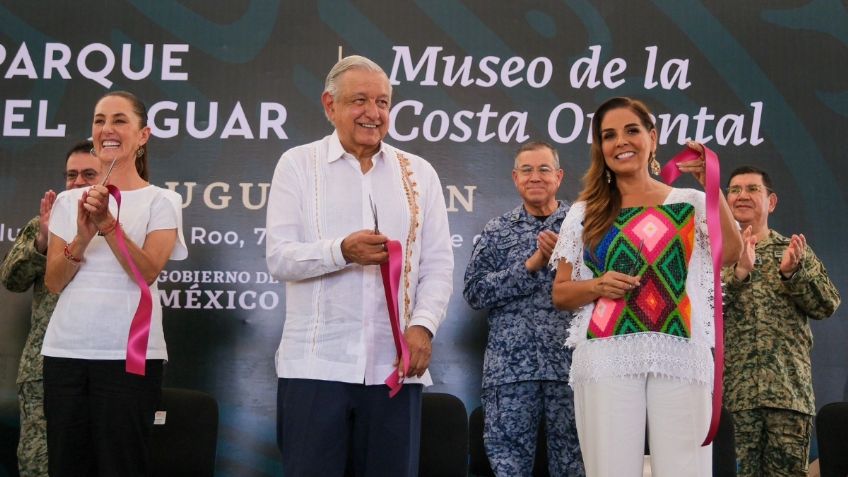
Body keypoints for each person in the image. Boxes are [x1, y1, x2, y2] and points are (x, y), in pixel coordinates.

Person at [265, 55, 453, 477]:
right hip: (315, 367)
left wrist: (422, 327)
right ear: (329, 106)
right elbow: (280, 257)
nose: (374, 113)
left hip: (395, 369)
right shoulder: (297, 164)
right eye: (360, 101)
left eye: (383, 102)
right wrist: (341, 251)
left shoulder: (419, 173)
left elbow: (439, 264)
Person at [550, 96, 742, 477]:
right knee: (610, 469)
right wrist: (598, 285)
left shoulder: (689, 202)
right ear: (600, 148)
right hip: (606, 353)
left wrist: (712, 185)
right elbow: (561, 292)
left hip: (679, 351)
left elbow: (732, 252)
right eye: (609, 135)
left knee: (686, 469)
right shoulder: (585, 211)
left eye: (631, 130)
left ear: (652, 138)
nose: (621, 141)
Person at [42, 90, 187, 477]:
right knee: (66, 465)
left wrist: (108, 224)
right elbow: (54, 282)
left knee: (122, 465)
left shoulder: (163, 201)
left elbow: (147, 272)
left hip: (129, 357)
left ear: (143, 135)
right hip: (65, 352)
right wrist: (84, 236)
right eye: (99, 120)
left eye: (120, 120)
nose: (107, 129)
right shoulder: (68, 202)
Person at [463, 141, 584, 476]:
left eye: (544, 169)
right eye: (527, 170)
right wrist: (530, 265)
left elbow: (601, 286)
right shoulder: (497, 230)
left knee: (575, 465)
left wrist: (566, 259)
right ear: (515, 178)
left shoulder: (582, 226)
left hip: (571, 369)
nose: (535, 177)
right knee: (508, 467)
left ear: (558, 176)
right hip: (511, 372)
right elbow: (474, 292)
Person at [722, 165, 840, 477]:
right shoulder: (714, 256)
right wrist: (738, 274)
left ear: (771, 202)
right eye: (734, 190)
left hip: (788, 396)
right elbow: (700, 315)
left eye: (752, 189)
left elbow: (827, 305)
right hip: (735, 399)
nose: (742, 196)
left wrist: (793, 273)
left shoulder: (793, 251)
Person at [0, 140, 99, 476]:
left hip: (104, 367)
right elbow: (11, 280)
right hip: (44, 370)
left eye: (89, 174)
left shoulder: (121, 227)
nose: (77, 182)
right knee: (41, 466)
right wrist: (42, 242)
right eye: (71, 175)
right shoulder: (45, 224)